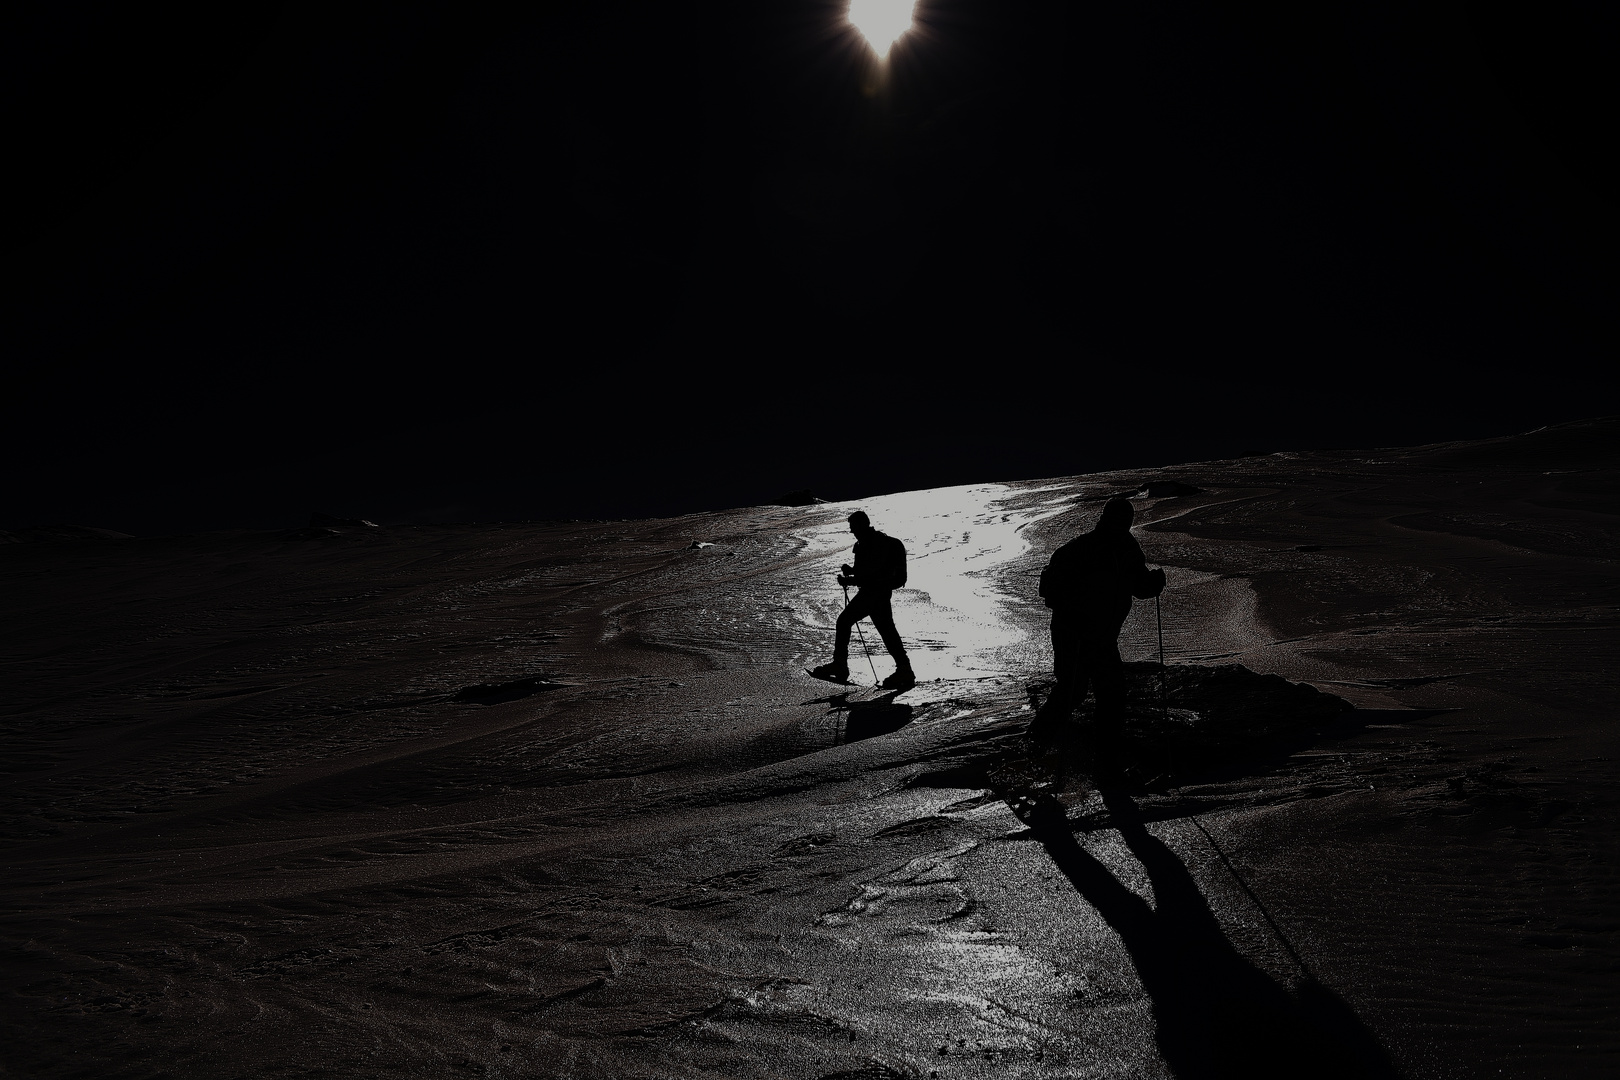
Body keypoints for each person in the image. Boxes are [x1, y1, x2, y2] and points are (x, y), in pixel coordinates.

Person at [1035, 498, 1165, 749]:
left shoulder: (1129, 550)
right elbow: (1050, 590)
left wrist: (1153, 584)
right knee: (1073, 691)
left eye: (1125, 520)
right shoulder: (1081, 549)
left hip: (1104, 637)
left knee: (1113, 694)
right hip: (1073, 635)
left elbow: (1139, 586)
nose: (1121, 524)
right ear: (1105, 518)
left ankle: (1106, 755)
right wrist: (1073, 612)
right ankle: (1035, 746)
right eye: (1116, 519)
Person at [810, 511, 916, 691]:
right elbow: (868, 572)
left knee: (845, 622)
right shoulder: (872, 543)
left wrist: (850, 579)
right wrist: (851, 572)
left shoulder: (873, 544)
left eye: (853, 527)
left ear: (862, 525)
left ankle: (840, 665)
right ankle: (904, 669)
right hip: (878, 593)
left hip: (873, 594)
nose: (852, 531)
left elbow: (871, 574)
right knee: (886, 630)